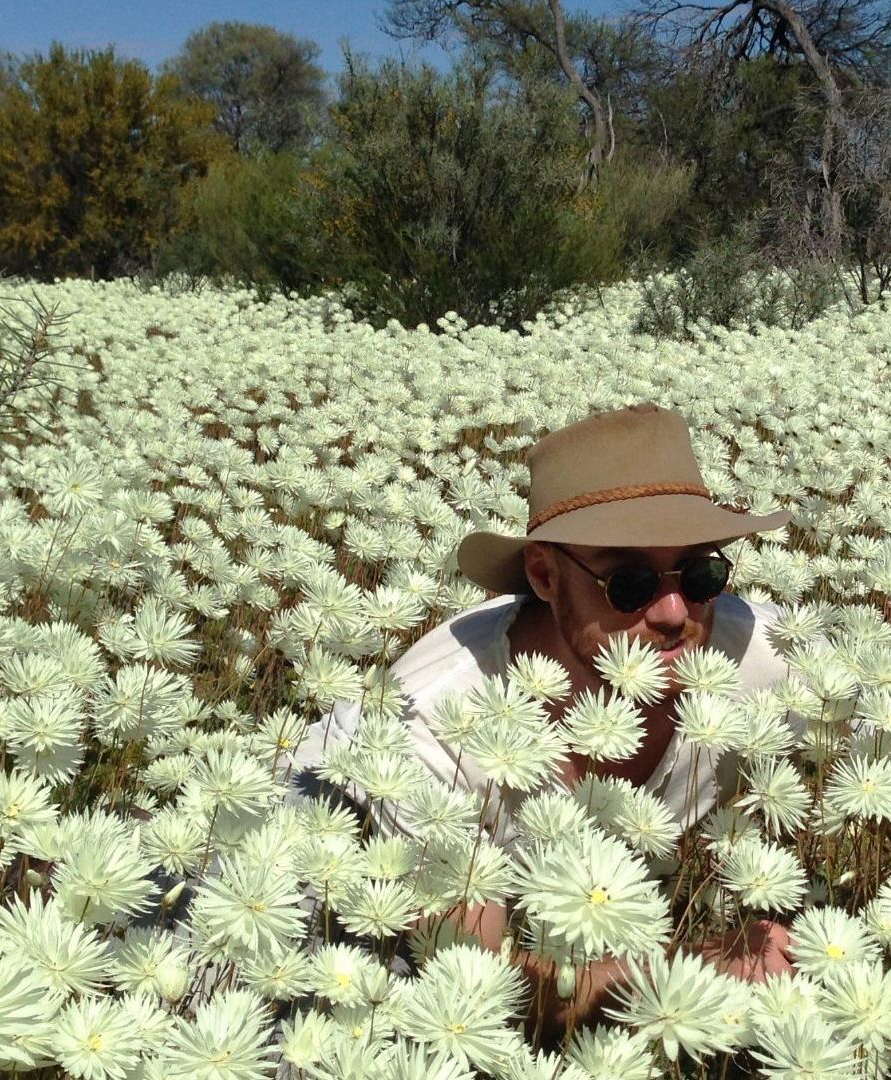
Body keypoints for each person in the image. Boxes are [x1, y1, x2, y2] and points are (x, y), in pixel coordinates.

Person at [286, 402, 808, 1036]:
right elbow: (483, 984)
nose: (674, 611)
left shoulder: (755, 652)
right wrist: (688, 968)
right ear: (544, 575)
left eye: (699, 572)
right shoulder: (433, 729)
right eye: (630, 582)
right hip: (314, 884)